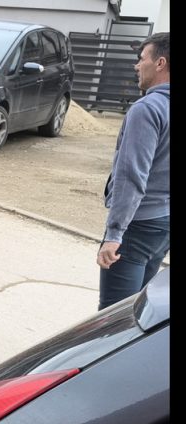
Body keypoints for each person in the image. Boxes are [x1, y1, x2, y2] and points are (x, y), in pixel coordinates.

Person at [97, 32, 169, 310]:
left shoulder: (148, 109)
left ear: (160, 63)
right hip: (163, 224)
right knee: (139, 310)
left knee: (114, 317)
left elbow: (131, 176)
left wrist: (114, 234)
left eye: (141, 59)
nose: (137, 66)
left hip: (138, 225)